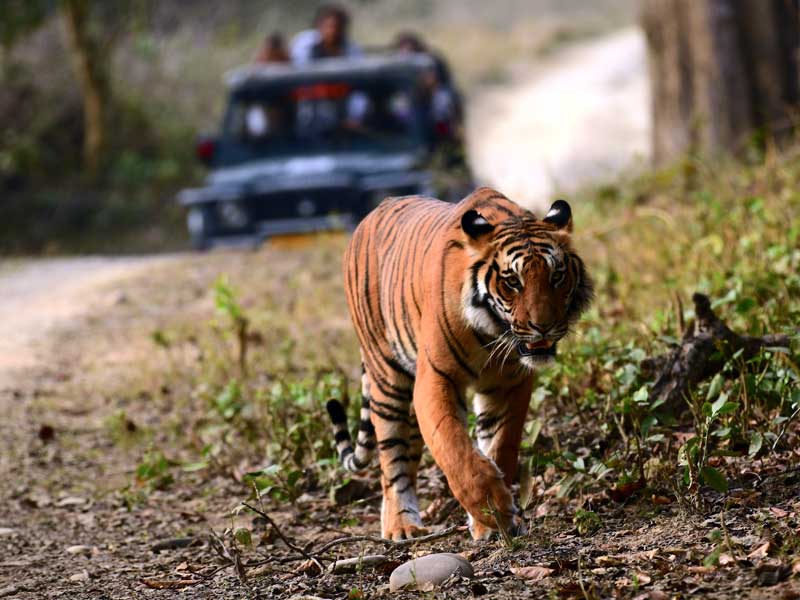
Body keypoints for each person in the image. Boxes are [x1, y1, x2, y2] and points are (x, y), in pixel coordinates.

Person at [290, 4, 362, 64]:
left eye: (338, 27)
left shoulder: (352, 48)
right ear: (319, 25)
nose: (333, 31)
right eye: (329, 26)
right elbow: (299, 68)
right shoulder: (304, 43)